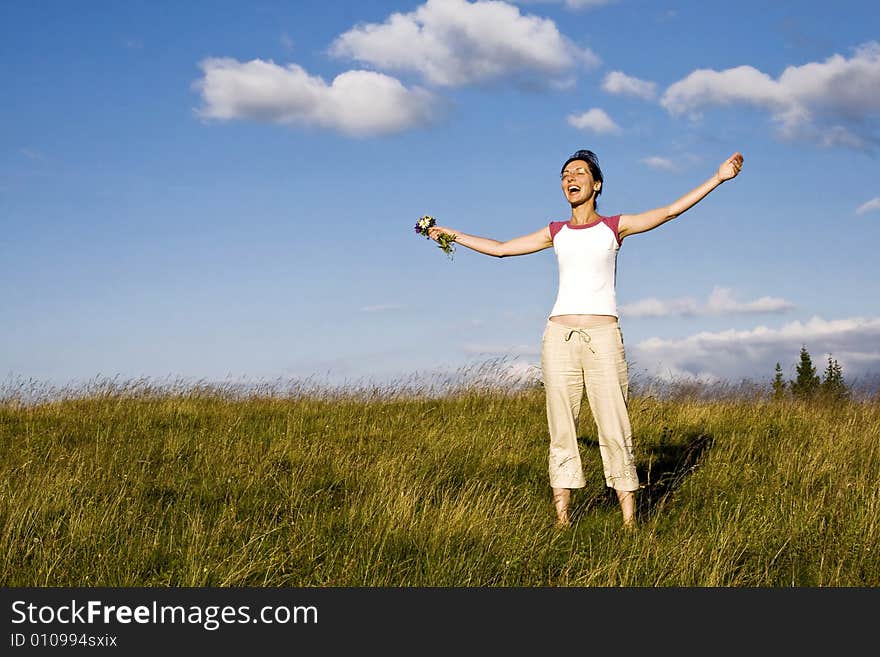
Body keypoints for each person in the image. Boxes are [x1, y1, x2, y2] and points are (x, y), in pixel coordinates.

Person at [427, 149, 744, 529]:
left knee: (614, 422)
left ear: (596, 185)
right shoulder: (555, 231)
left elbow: (669, 211)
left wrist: (718, 177)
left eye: (579, 172)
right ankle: (562, 519)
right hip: (558, 337)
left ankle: (629, 520)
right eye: (564, 175)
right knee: (561, 425)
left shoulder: (614, 226)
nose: (570, 178)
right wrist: (451, 234)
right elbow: (501, 249)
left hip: (603, 336)